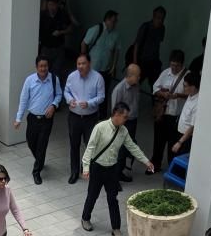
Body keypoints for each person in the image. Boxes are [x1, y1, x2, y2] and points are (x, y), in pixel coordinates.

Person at [81, 102, 153, 236]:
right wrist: (86, 167)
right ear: (117, 115)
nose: (127, 120)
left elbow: (132, 147)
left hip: (112, 169)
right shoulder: (100, 127)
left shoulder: (123, 131)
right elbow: (90, 147)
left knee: (113, 198)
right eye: (125, 117)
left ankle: (116, 228)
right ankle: (85, 218)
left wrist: (145, 161)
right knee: (92, 195)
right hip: (97, 167)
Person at [14, 55, 63, 185]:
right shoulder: (29, 80)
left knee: (42, 145)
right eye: (41, 66)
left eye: (45, 66)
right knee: (31, 142)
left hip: (47, 120)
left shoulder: (54, 79)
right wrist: (18, 118)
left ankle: (36, 171)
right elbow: (23, 100)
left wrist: (53, 105)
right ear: (36, 67)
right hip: (32, 118)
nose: (43, 68)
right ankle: (40, 160)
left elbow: (59, 95)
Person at [64, 54, 104, 184]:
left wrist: (89, 103)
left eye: (83, 63)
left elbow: (101, 97)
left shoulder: (98, 78)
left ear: (89, 64)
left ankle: (85, 166)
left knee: (90, 145)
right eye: (78, 64)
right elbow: (66, 91)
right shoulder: (72, 76)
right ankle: (74, 172)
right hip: (74, 117)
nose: (80, 66)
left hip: (90, 118)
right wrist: (70, 100)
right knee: (74, 145)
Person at [151, 50, 189, 170]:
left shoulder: (187, 76)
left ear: (181, 64)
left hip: (176, 116)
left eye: (176, 65)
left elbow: (191, 95)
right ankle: (155, 165)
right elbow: (155, 88)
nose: (173, 68)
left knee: (173, 144)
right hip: (162, 114)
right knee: (158, 142)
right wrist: (163, 94)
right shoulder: (165, 73)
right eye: (172, 64)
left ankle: (172, 168)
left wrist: (178, 95)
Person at [82, 10, 122, 113]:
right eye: (113, 21)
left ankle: (102, 116)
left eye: (116, 21)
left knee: (103, 92)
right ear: (107, 20)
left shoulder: (116, 34)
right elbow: (84, 43)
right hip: (93, 68)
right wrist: (84, 61)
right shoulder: (96, 29)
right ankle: (88, 111)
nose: (115, 24)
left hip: (106, 68)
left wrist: (113, 66)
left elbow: (116, 51)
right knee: (91, 91)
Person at [111, 64, 142, 180]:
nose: (139, 78)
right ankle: (114, 178)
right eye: (137, 76)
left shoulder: (136, 86)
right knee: (120, 151)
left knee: (128, 149)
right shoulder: (119, 89)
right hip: (123, 124)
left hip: (133, 121)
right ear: (130, 75)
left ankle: (120, 173)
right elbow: (114, 112)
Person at [128, 6, 167, 87]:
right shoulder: (146, 27)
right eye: (158, 18)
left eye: (162, 19)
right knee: (134, 85)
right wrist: (135, 65)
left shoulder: (162, 28)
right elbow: (137, 45)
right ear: (153, 17)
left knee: (156, 87)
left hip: (154, 61)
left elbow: (158, 43)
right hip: (142, 61)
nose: (160, 21)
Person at [37, 0, 71, 76]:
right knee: (44, 71)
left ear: (57, 5)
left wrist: (61, 32)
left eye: (53, 5)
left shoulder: (62, 14)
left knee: (56, 72)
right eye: (50, 5)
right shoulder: (42, 15)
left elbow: (70, 29)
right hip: (45, 48)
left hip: (58, 48)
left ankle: (54, 87)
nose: (51, 7)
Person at [171, 72, 200, 156]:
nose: (183, 88)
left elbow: (192, 126)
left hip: (186, 138)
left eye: (185, 86)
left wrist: (180, 142)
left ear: (193, 87)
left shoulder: (197, 103)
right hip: (179, 132)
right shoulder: (190, 95)